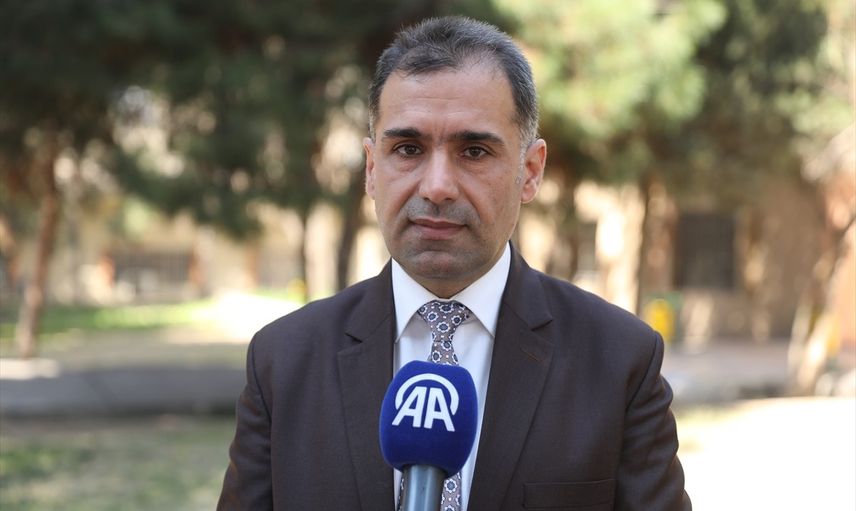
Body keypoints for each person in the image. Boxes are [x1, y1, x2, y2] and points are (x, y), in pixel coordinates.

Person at [217, 16, 690, 511]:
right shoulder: (283, 361)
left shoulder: (619, 362)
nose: (437, 186)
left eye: (474, 151)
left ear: (530, 172)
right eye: (407, 149)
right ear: (372, 169)